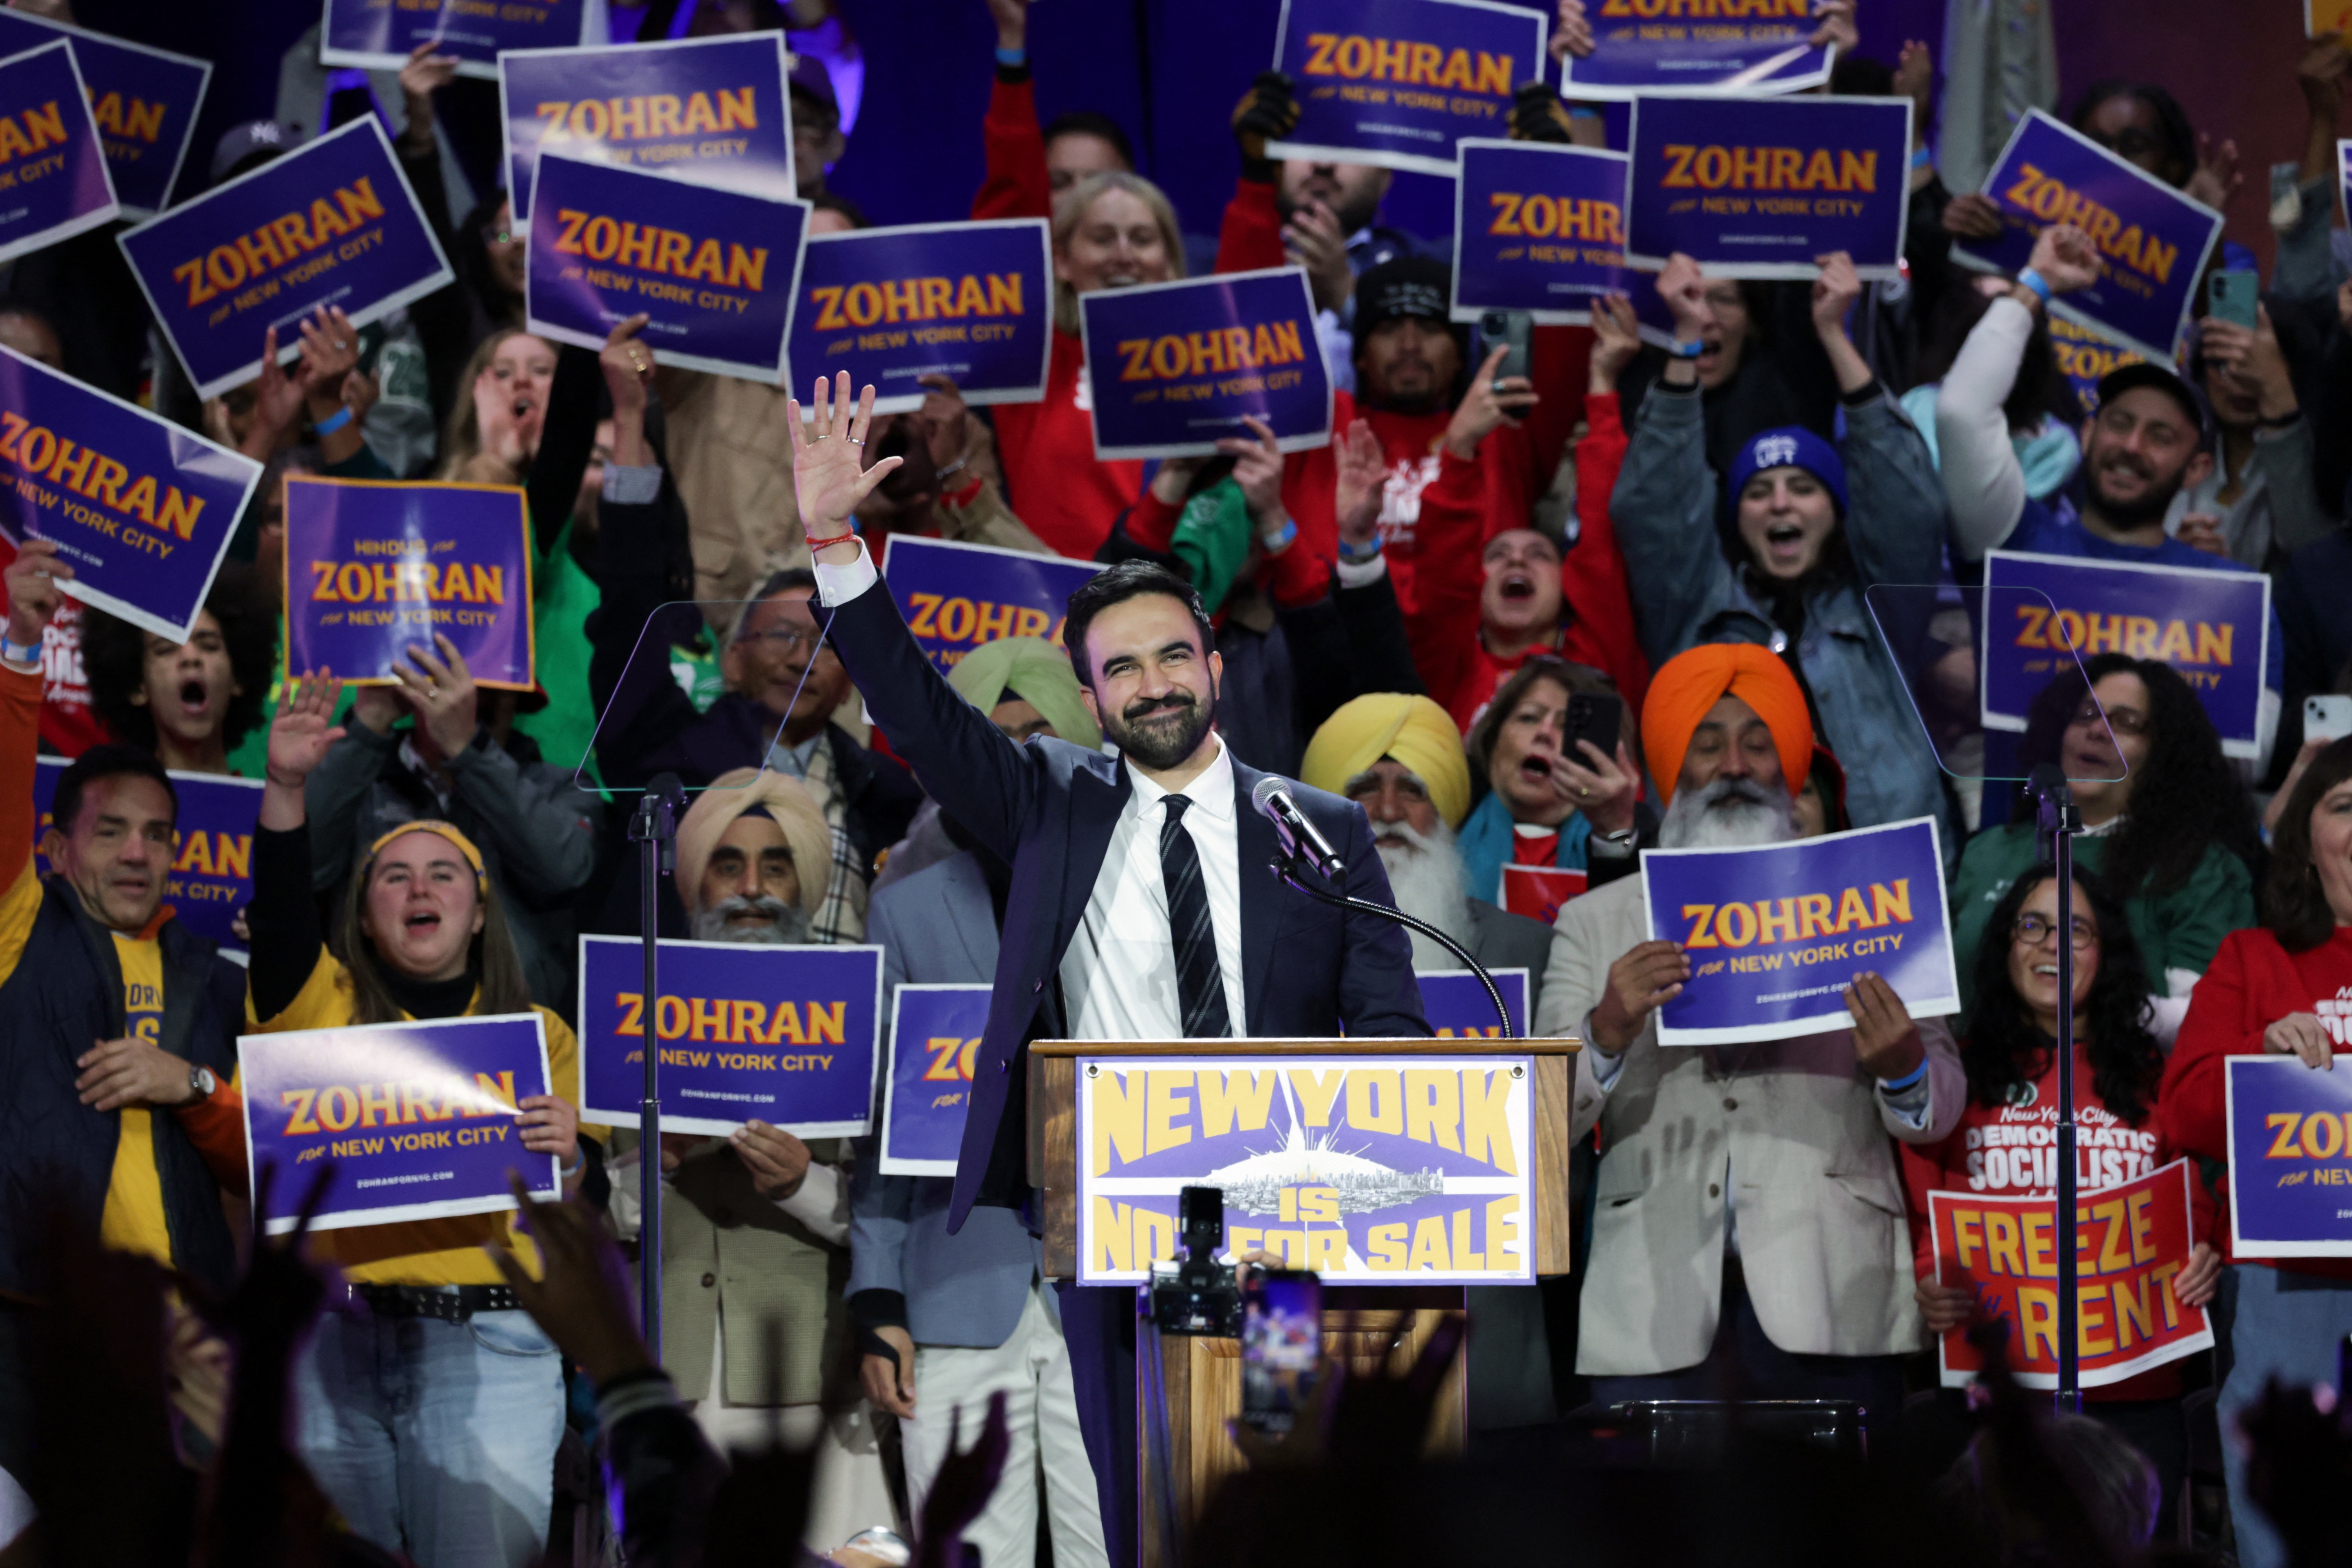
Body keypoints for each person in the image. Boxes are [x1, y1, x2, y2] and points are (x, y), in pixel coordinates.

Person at [794, 371, 1427, 1560]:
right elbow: (925, 715)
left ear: (1213, 663)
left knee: (1279, 1483)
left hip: (1284, 1223)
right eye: (1122, 669)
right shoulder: (1046, 804)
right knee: (1132, 1503)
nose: (1152, 684)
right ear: (1089, 694)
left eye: (1171, 656)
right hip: (1107, 1224)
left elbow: (1389, 1016)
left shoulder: (1316, 828)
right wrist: (836, 546)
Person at [1534, 643, 1963, 1440]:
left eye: (1756, 741)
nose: (1731, 762)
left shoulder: (1867, 903)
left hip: (1834, 1293)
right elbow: (1531, 1128)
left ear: (1789, 767)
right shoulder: (1594, 922)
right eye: (1705, 742)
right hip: (1650, 1301)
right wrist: (1603, 1031)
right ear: (1670, 769)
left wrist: (1902, 1068)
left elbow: (1935, 1109)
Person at [246, 671, 595, 1568]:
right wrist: (285, 788)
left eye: (444, 873)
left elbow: (576, 1192)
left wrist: (571, 1156)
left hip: (493, 1348)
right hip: (331, 1350)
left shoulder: (537, 1038)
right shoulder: (316, 1005)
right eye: (392, 876)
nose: (417, 889)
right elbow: (284, 913)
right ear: (363, 914)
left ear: (479, 914)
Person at [0, 540, 248, 1481]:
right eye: (111, 831)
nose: (138, 853)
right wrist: (22, 647)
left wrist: (185, 1082)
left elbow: (257, 1156)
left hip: (182, 1345)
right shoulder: (22, 929)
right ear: (59, 850)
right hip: (34, 1329)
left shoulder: (213, 976)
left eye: (156, 834)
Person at [607, 768, 894, 1551]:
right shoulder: (636, 1005)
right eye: (727, 865)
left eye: (775, 867)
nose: (752, 889)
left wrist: (804, 1184)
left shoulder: (856, 1014)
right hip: (678, 1364)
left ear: (803, 885)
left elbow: (886, 1222)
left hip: (812, 1365)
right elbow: (611, 1215)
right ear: (693, 879)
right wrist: (656, 1162)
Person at [1903, 868, 2222, 1527]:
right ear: (2003, 945)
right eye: (2031, 925)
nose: (2052, 943)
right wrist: (1929, 1277)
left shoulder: (2155, 1076)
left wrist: (2202, 1255)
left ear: (2106, 952)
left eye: (2075, 929)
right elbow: (1924, 1201)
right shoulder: (1955, 1075)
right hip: (1997, 1396)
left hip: (2135, 1394)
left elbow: (2192, 1197)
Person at [850, 774, 1110, 1567]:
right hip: (953, 1280)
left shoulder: (1125, 889)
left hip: (1104, 1288)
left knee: (1113, 1547)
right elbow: (886, 1119)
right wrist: (877, 1294)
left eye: (1033, 738)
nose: (1008, 762)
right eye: (986, 743)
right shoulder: (906, 906)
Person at [587, 332, 922, 945]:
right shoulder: (668, 758)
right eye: (780, 635)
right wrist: (631, 416)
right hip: (699, 1024)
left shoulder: (888, 796)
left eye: (823, 642)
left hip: (836, 1028)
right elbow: (631, 601)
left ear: (852, 675)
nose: (801, 656)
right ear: (733, 657)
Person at [1614, 253, 1953, 838]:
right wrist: (1686, 339)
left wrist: (1832, 334)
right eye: (1758, 492)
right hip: (1724, 885)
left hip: (1886, 891)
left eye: (1802, 488)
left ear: (1836, 513)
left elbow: (1908, 501)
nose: (1779, 504)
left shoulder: (1880, 608)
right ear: (1734, 518)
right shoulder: (1695, 607)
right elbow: (1655, 504)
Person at [1298, 691, 1563, 1432]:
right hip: (1324, 1305)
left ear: (1443, 811)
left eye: (1412, 788)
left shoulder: (1523, 953)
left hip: (1483, 1317)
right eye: (1360, 790)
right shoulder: (1271, 955)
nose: (1385, 810)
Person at [1933, 223, 2288, 749]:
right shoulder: (2014, 545)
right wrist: (2034, 286)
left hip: (2160, 833)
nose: (2132, 446)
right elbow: (1961, 412)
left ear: (2194, 469)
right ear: (2087, 433)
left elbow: (2247, 754)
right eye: (2119, 423)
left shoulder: (2227, 600)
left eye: (2160, 436)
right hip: (2029, 833)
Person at [2158, 737, 2352, 1568]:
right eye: (2344, 806)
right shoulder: (2252, 957)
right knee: (2285, 1535)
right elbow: (2182, 1115)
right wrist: (2257, 1056)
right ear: (2302, 839)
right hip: (2287, 1273)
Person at [1947, 657, 2259, 1040]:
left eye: (2126, 723)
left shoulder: (2197, 867)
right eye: (2085, 715)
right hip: (1980, 1086)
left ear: (2163, 756)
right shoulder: (1989, 850)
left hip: (2125, 1089)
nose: (2097, 730)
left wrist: (2070, 1005)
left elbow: (2208, 1019)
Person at [302, 635, 602, 1021]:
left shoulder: (562, 788)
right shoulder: (353, 774)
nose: (470, 699)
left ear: (518, 702)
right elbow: (300, 872)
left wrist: (471, 753)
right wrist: (367, 726)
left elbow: (563, 871)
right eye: (453, 685)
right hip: (369, 1027)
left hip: (513, 1030)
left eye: (496, 691)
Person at [1398, 292, 1650, 729]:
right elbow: (1442, 575)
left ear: (1566, 585)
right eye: (1495, 557)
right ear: (1476, 588)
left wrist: (1602, 381)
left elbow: (1601, 542)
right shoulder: (1448, 671)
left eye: (1539, 554)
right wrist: (1457, 448)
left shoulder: (1596, 661)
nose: (1516, 558)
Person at [872, 634, 1101, 896]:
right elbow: (894, 900)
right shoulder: (943, 824)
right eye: (998, 740)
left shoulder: (1130, 798)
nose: (1018, 752)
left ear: (1076, 729)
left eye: (1038, 736)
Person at [1459, 658, 1645, 907]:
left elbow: (1625, 919)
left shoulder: (1640, 833)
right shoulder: (1448, 817)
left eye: (1567, 726)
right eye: (1528, 718)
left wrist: (1613, 831)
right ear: (1494, 739)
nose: (1544, 733)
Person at [80, 564, 277, 775]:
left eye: (209, 646)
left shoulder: (271, 806)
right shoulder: (113, 807)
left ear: (237, 677)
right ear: (138, 687)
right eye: (166, 649)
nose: (191, 657)